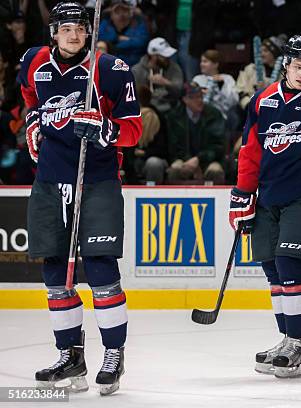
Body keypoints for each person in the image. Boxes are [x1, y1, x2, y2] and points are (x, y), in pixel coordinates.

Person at [18, 2, 142, 396]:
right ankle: (69, 354)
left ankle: (113, 354)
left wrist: (105, 128)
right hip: (51, 180)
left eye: (81, 28)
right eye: (67, 28)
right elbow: (31, 100)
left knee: (101, 268)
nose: (74, 35)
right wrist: (34, 122)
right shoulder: (33, 62)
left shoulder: (109, 70)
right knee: (56, 272)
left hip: (97, 179)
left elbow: (134, 130)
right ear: (53, 32)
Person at [229, 35, 301, 378]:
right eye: (299, 67)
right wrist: (242, 193)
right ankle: (287, 337)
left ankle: (298, 342)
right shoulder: (263, 100)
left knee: (291, 263)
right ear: (286, 65)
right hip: (267, 196)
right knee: (272, 267)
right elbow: (251, 151)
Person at [165, 82, 226, 185]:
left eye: (201, 96)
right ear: (185, 100)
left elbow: (218, 146)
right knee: (175, 169)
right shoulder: (174, 117)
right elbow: (172, 147)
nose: (200, 100)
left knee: (215, 170)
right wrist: (189, 161)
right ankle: (175, 199)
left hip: (209, 160)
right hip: (184, 160)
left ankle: (216, 200)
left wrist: (199, 159)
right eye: (195, 98)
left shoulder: (214, 114)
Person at [132, 37, 184, 113]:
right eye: (163, 56)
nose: (167, 58)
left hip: (170, 109)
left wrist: (166, 83)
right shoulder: (137, 71)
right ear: (153, 56)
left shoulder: (174, 68)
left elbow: (180, 92)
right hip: (146, 110)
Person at [236, 36, 284, 110]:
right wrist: (249, 105)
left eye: (265, 51)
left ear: (274, 53)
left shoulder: (284, 74)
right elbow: (239, 89)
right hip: (249, 108)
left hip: (274, 110)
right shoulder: (250, 69)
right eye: (260, 51)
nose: (261, 54)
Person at [192, 49, 239, 121]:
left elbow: (233, 101)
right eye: (201, 61)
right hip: (201, 115)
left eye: (205, 61)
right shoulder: (197, 79)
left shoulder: (227, 78)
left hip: (221, 114)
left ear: (215, 64)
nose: (201, 64)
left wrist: (221, 87)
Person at [98, 0, 148, 67]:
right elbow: (99, 37)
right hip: (110, 64)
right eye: (117, 12)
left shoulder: (138, 24)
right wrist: (117, 38)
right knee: (100, 46)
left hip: (132, 65)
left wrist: (114, 46)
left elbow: (142, 42)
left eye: (125, 11)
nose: (121, 15)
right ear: (111, 15)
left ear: (130, 14)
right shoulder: (106, 23)